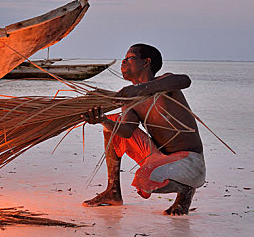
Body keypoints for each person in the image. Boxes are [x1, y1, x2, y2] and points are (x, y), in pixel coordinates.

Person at [81, 44, 204, 215]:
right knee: (113, 121)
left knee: (144, 180)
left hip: (189, 163)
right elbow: (125, 132)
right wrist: (102, 120)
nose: (123, 62)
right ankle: (113, 191)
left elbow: (185, 80)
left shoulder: (165, 84)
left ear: (146, 62)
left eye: (129, 58)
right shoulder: (130, 100)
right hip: (159, 157)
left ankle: (186, 192)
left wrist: (138, 89)